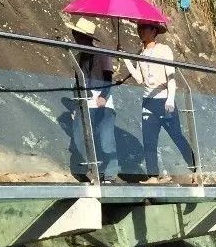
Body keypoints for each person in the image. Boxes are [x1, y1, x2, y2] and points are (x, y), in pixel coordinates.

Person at [122, 22, 195, 183]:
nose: (140, 31)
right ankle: (153, 176)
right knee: (149, 139)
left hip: (164, 99)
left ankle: (195, 170)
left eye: (144, 28)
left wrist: (170, 98)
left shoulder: (164, 50)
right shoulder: (140, 54)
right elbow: (141, 79)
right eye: (139, 28)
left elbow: (171, 76)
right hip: (148, 101)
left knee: (176, 136)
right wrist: (128, 61)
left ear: (154, 31)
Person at [66, 18, 119, 183]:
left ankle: (109, 174)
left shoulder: (102, 54)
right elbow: (78, 83)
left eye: (78, 34)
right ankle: (88, 170)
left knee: (106, 139)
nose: (75, 37)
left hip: (102, 101)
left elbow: (108, 78)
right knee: (79, 136)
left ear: (85, 37)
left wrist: (103, 95)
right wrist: (75, 107)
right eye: (75, 34)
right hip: (84, 101)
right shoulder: (78, 57)